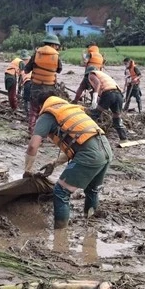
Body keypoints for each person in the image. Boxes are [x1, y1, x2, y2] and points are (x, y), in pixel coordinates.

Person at [23, 91, 113, 229]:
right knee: (92, 189)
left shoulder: (47, 115)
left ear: (41, 105)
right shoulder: (71, 110)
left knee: (61, 191)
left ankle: (60, 232)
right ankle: (90, 224)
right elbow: (82, 143)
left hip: (90, 154)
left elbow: (32, 146)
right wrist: (54, 163)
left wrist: (27, 170)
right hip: (106, 149)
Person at [73, 67, 129, 141]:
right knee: (117, 118)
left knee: (94, 114)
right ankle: (124, 138)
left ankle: (83, 134)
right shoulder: (103, 75)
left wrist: (94, 99)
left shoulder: (91, 74)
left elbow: (97, 83)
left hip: (109, 94)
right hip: (118, 95)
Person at [23, 34, 63, 134]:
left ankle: (32, 131)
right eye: (56, 45)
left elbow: (26, 70)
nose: (57, 47)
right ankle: (47, 132)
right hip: (50, 89)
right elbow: (59, 70)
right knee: (48, 110)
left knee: (34, 110)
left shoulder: (36, 54)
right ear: (53, 45)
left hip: (36, 87)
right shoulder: (56, 56)